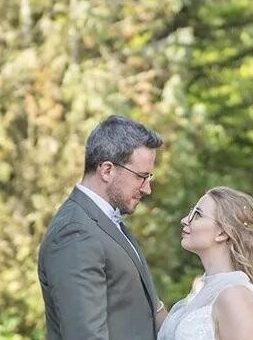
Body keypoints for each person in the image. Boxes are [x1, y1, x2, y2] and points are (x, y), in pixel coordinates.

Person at [38, 115, 166, 340]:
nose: (147, 189)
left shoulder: (104, 223)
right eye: (141, 177)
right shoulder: (75, 232)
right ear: (107, 170)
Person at [158, 187, 253, 340]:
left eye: (197, 215)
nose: (185, 220)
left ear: (222, 233)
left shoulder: (235, 296)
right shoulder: (208, 291)